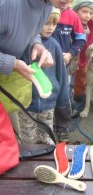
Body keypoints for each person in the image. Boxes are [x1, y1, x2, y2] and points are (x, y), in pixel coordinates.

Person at [0, 0, 93, 139]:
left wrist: (36, 44)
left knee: (13, 146)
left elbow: (30, 27)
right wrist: (11, 63)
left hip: (6, 87)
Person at [18, 8, 71, 144]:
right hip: (26, 104)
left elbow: (61, 73)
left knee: (47, 138)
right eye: (46, 23)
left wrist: (63, 100)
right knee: (28, 140)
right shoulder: (23, 44)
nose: (51, 28)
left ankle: (46, 161)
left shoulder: (54, 45)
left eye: (54, 24)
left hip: (49, 103)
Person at [52, 3, 86, 105]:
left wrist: (70, 54)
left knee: (65, 90)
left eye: (67, 1)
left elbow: (81, 39)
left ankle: (65, 113)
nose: (63, 3)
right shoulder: (44, 9)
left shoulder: (72, 15)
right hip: (44, 62)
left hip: (64, 62)